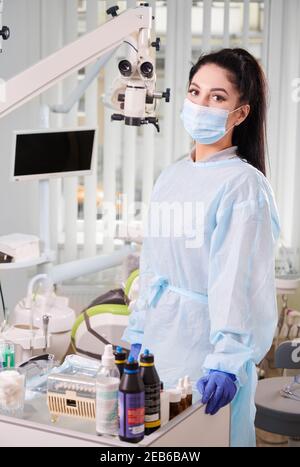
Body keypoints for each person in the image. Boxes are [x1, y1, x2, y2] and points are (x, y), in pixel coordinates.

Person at [122, 48, 281, 447]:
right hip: (158, 349)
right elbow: (153, 263)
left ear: (240, 113)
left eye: (217, 97)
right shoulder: (172, 176)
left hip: (207, 357)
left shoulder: (243, 186)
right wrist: (138, 330)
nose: (201, 104)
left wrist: (226, 362)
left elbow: (238, 283)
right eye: (195, 92)